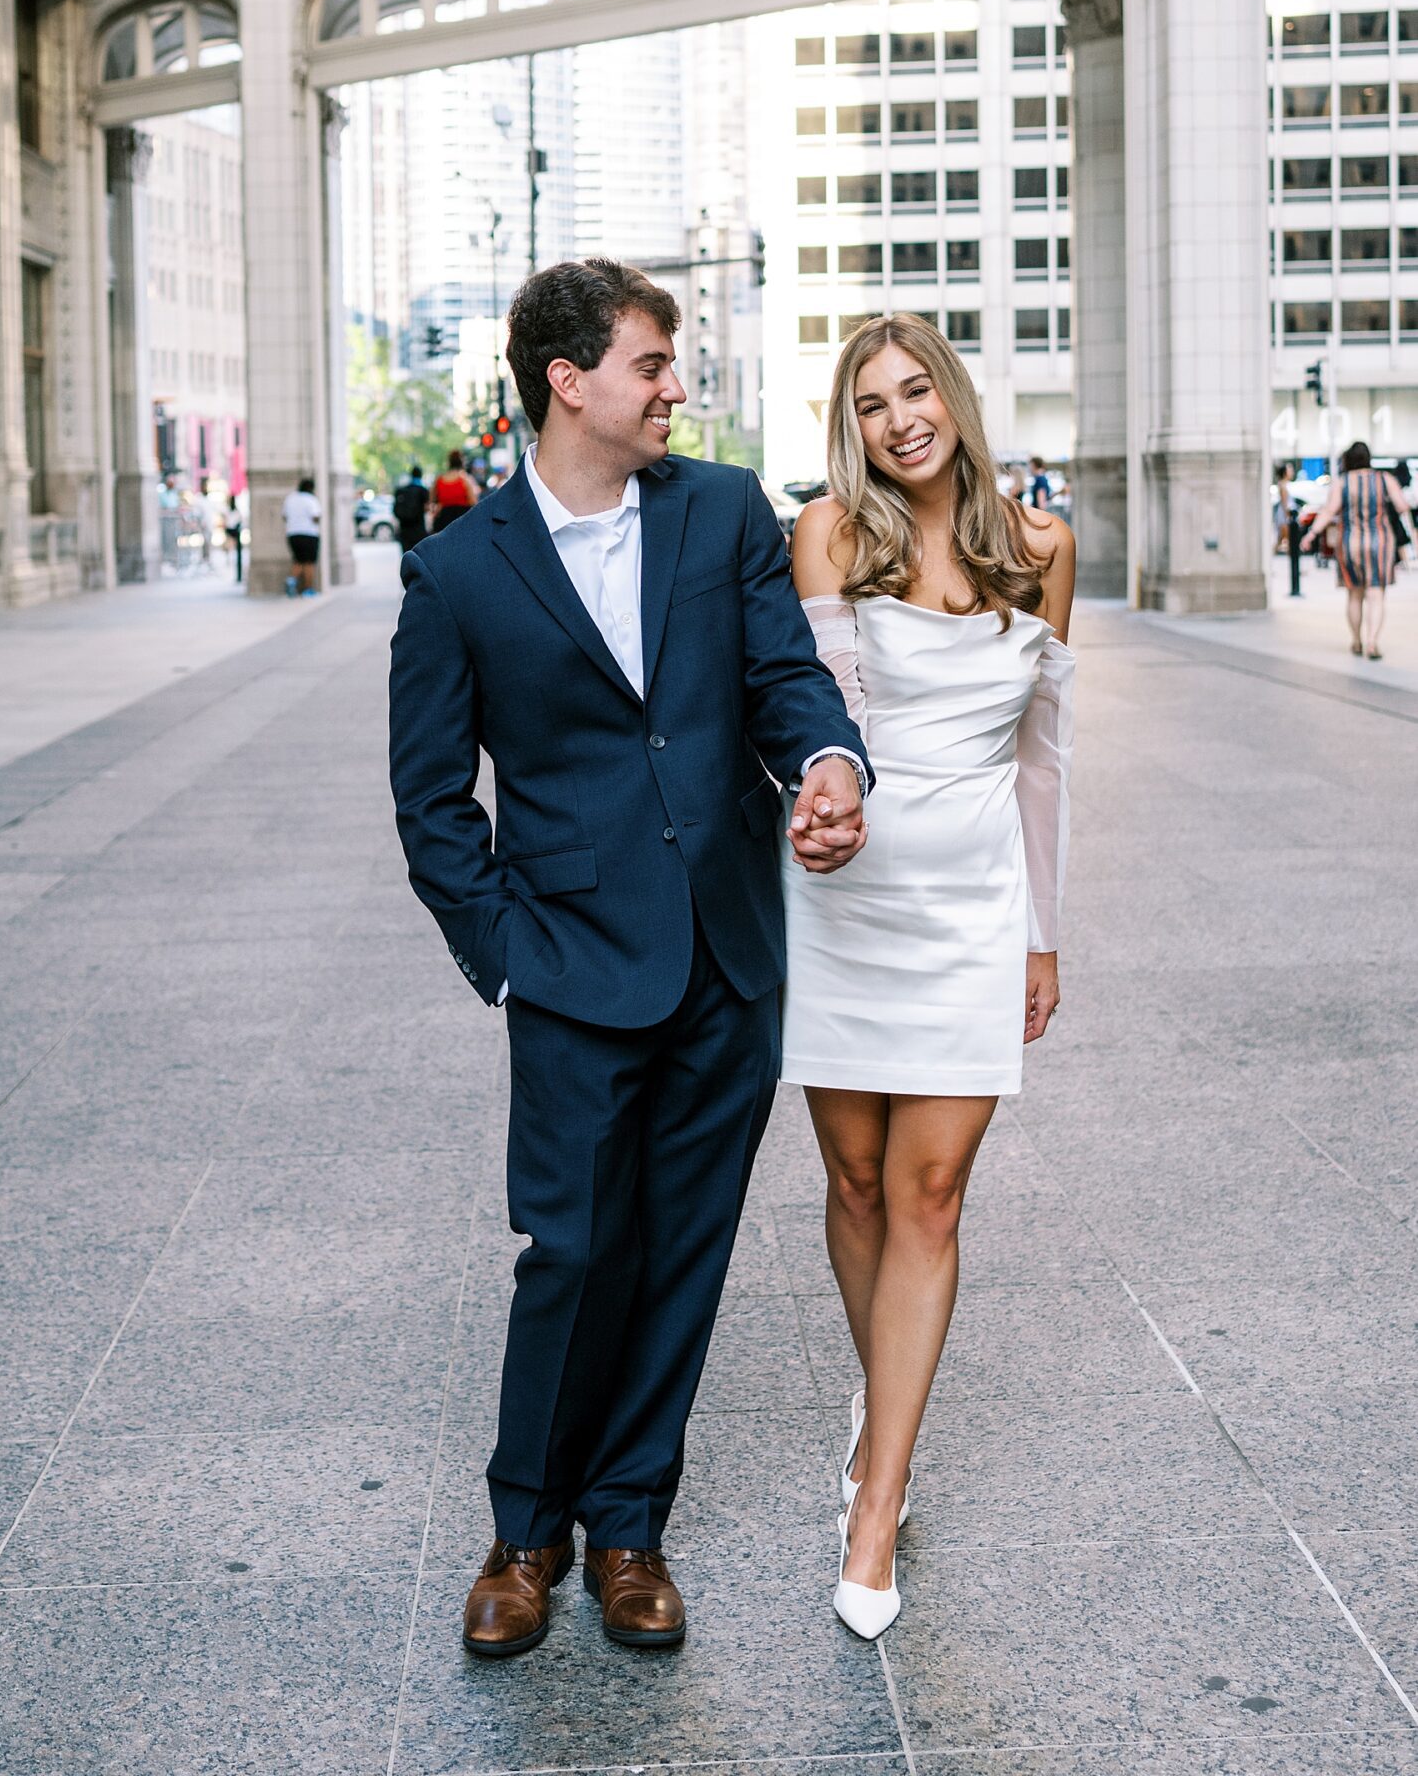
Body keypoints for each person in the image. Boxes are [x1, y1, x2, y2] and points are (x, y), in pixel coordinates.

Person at [389, 259, 871, 1662]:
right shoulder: (460, 569)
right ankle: (524, 1533)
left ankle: (630, 1529)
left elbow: (783, 676)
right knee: (576, 1248)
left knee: (684, 1253)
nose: (675, 387)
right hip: (571, 970)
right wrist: (509, 956)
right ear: (571, 381)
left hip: (728, 955)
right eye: (653, 363)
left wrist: (830, 766)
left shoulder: (722, 511)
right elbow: (431, 800)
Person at [782, 312, 1074, 1640]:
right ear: (853, 427)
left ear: (952, 396)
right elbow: (815, 722)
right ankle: (879, 1395)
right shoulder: (833, 538)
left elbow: (1045, 759)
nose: (901, 418)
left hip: (972, 912)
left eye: (917, 391)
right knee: (853, 1182)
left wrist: (1044, 932)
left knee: (931, 1194)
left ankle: (878, 1498)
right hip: (846, 908)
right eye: (873, 402)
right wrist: (811, 805)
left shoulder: (1043, 552)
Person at [1302, 440, 1415, 659]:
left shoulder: (1342, 483)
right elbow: (1402, 507)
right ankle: (1372, 642)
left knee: (1354, 594)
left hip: (1350, 542)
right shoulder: (1384, 479)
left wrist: (1312, 534)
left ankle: (1356, 640)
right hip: (1380, 542)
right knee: (1376, 593)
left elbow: (1328, 511)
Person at [282, 475, 321, 595]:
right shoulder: (311, 499)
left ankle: (291, 581)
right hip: (309, 534)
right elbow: (315, 517)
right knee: (309, 563)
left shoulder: (290, 498)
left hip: (292, 534)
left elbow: (284, 516)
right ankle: (308, 590)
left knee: (298, 561)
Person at [429, 449, 478, 534]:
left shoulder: (439, 480)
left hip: (443, 523)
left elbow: (431, 501)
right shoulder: (465, 479)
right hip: (462, 522)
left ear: (449, 462)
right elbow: (473, 502)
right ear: (462, 462)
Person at [1273, 464, 1303, 601]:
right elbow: (1285, 503)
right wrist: (1288, 516)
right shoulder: (1283, 485)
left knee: (1282, 540)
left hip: (1284, 515)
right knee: (1287, 540)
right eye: (1290, 469)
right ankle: (1294, 569)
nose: (1291, 471)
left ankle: (1294, 569)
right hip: (1285, 516)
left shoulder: (1283, 484)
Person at [391, 464, 430, 554]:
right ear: (421, 475)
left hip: (404, 529)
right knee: (419, 555)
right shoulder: (423, 490)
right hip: (418, 528)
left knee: (406, 555)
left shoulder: (401, 490)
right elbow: (427, 508)